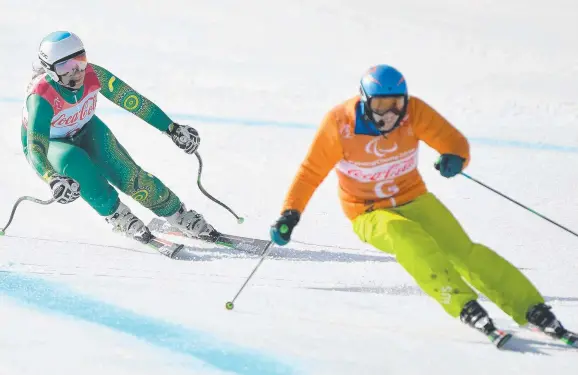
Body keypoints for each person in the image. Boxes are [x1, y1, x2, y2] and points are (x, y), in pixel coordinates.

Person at [269, 64, 576, 347]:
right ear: (364, 101)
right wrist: (290, 213)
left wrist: (455, 157)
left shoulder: (414, 112)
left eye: (396, 104)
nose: (389, 113)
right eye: (380, 105)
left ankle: (531, 307)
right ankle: (462, 303)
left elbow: (454, 141)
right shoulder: (340, 123)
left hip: (414, 198)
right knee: (407, 237)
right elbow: (311, 172)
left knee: (463, 252)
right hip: (368, 212)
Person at [22, 31, 216, 244]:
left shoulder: (93, 74)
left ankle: (176, 213)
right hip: (52, 145)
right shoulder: (41, 96)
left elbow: (133, 100)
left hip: (85, 129)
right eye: (65, 68)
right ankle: (117, 215)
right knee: (76, 163)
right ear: (50, 70)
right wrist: (52, 177)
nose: (77, 72)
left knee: (128, 173)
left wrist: (172, 128)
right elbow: (35, 146)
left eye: (80, 61)